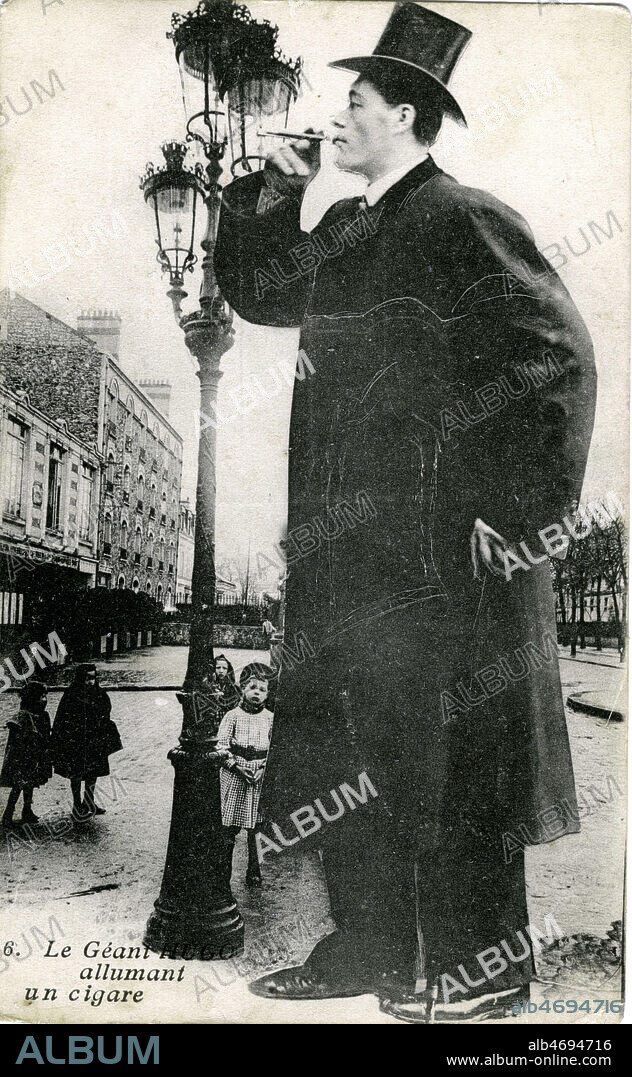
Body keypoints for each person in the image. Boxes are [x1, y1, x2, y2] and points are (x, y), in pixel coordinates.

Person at [214, 3, 597, 1021]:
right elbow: (254, 289)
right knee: (354, 756)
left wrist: (514, 512)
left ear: (406, 115)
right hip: (347, 557)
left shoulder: (461, 215)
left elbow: (556, 358)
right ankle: (367, 953)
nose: (335, 118)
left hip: (443, 552)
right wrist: (278, 185)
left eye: (353, 103)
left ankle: (486, 973)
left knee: (456, 767)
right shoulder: (344, 230)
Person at [216, 663, 274, 888]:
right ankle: (223, 874)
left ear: (267, 693)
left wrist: (262, 769)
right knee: (229, 829)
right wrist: (237, 768)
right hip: (235, 776)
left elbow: (274, 749)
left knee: (256, 829)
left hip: (258, 777)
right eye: (252, 688)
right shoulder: (232, 716)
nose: (257, 693)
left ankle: (254, 870)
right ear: (243, 689)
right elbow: (221, 746)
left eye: (262, 689)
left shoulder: (270, 718)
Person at [51, 664, 122, 821]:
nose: (90, 681)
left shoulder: (99, 693)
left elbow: (106, 712)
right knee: (76, 773)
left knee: (93, 772)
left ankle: (89, 802)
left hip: (94, 741)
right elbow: (62, 718)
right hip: (76, 741)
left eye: (93, 677)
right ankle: (77, 805)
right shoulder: (71, 695)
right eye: (87, 678)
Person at [1, 680, 52, 827]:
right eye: (42, 696)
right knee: (19, 785)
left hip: (35, 756)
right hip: (22, 757)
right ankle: (8, 814)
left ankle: (27, 810)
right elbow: (16, 734)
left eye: (45, 696)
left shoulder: (42, 715)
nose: (45, 699)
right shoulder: (24, 715)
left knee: (30, 783)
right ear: (33, 698)